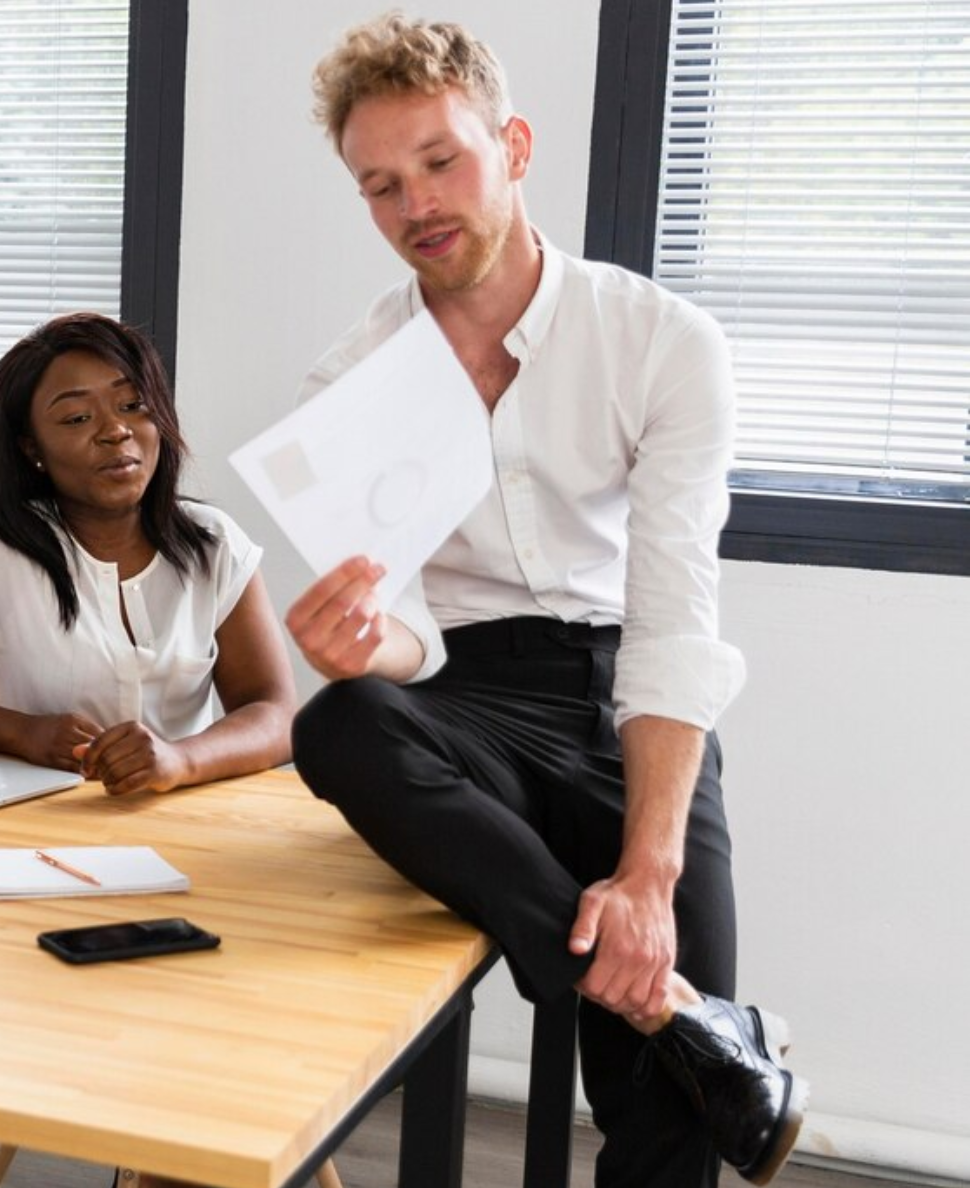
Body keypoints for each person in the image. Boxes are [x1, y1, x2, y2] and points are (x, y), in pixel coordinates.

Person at [282, 15, 805, 1188]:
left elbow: (676, 616)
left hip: (633, 696)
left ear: (512, 144)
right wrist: (368, 644)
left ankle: (668, 1022)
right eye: (380, 185)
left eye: (440, 160)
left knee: (671, 1122)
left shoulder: (663, 341)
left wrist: (651, 870)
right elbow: (411, 633)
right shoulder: (347, 383)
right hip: (464, 699)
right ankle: (674, 1010)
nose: (415, 203)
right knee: (338, 720)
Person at [0, 312, 295, 798]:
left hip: (191, 815)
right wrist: (22, 733)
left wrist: (180, 759)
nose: (116, 431)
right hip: (41, 817)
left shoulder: (215, 545)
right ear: (32, 449)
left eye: (133, 404)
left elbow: (275, 714)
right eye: (77, 418)